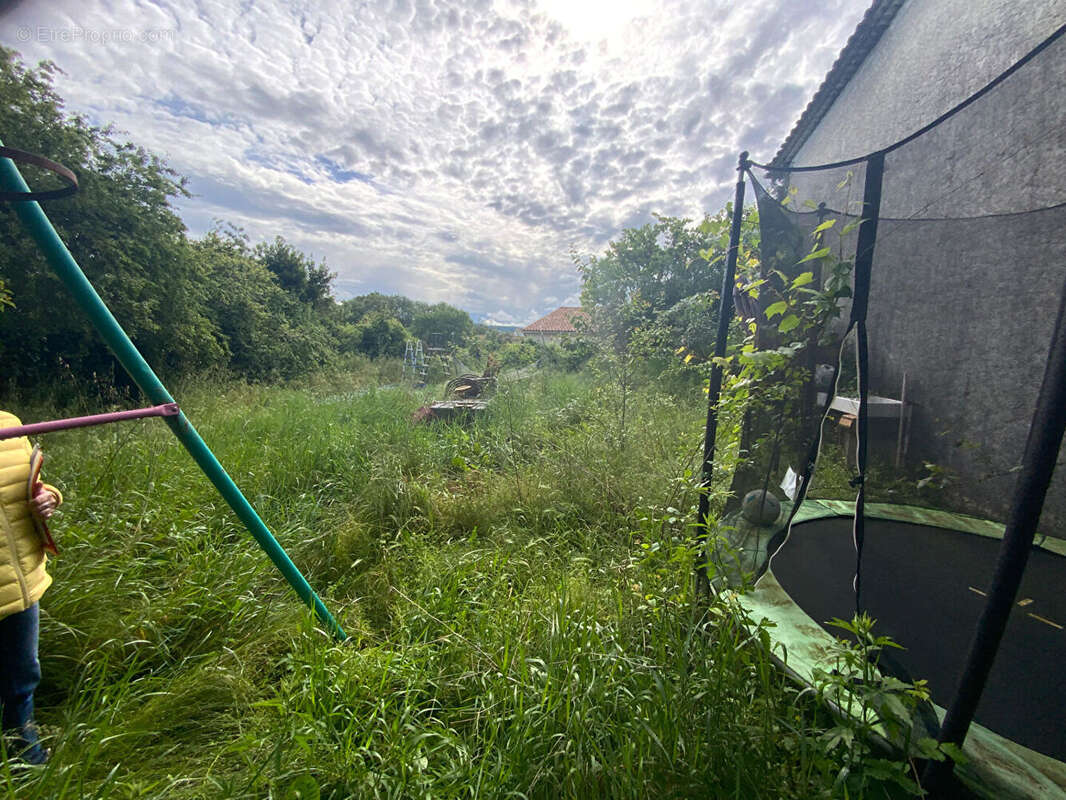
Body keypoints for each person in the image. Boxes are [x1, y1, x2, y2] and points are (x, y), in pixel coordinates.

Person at [0, 409, 62, 766]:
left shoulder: (10, 424)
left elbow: (32, 484)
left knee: (22, 677)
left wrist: (49, 498)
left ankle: (26, 760)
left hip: (22, 580)